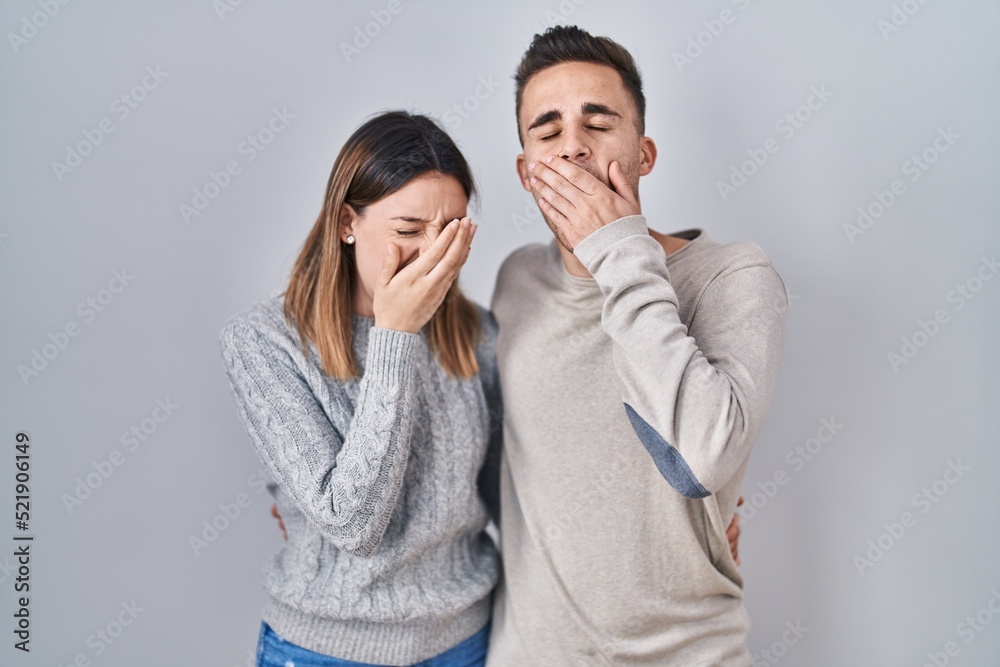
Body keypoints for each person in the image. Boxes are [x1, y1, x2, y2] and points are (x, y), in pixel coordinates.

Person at [483, 26, 788, 665]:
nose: (572, 149)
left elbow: (701, 457)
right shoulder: (515, 281)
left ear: (643, 152)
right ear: (525, 171)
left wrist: (618, 247)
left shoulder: (731, 277)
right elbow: (501, 465)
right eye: (547, 131)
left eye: (598, 125)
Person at [218, 110, 502, 667]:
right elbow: (353, 524)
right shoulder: (263, 343)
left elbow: (511, 499)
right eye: (408, 230)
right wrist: (396, 336)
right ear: (348, 222)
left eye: (450, 231)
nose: (431, 255)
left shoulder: (478, 333)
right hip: (328, 649)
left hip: (465, 641)